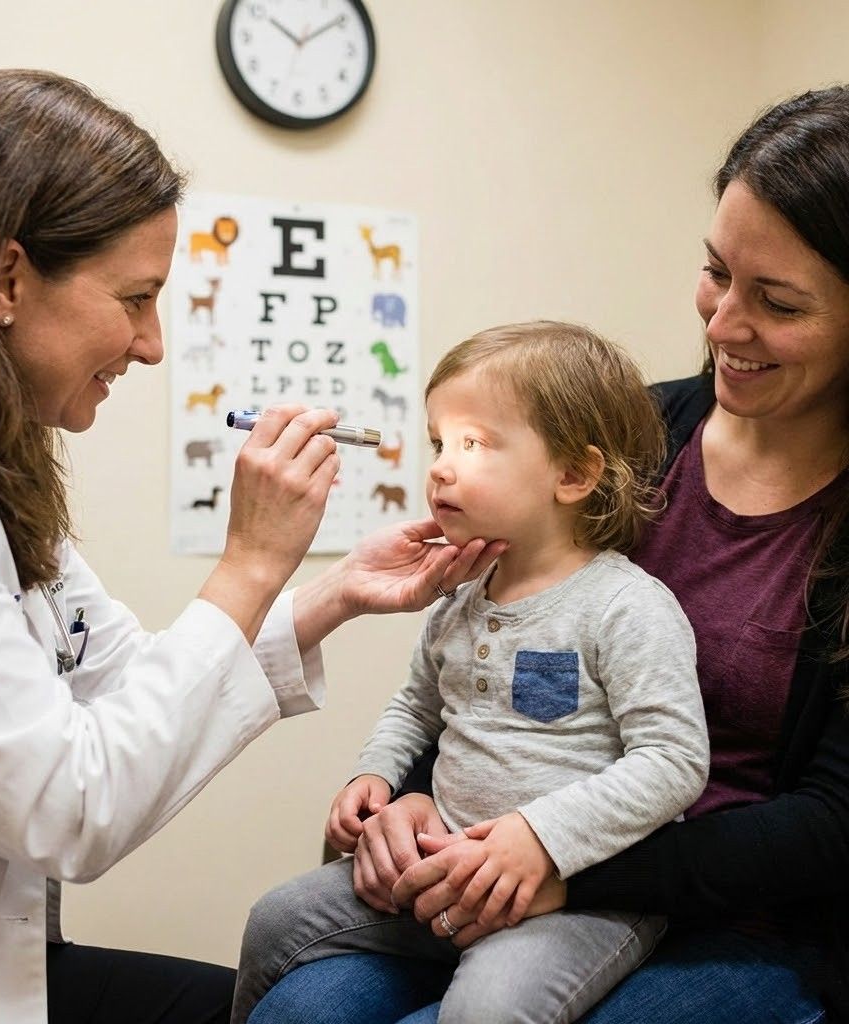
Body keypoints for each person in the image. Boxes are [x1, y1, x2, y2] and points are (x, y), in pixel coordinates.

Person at [0, 69, 506, 1024]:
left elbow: (125, 686)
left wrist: (333, 594)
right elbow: (71, 804)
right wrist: (251, 561)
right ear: (6, 278)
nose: (151, 346)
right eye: (136, 298)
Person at [240, 84, 849, 1024]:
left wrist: (556, 856)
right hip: (493, 856)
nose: (723, 324)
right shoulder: (623, 438)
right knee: (304, 1006)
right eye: (716, 272)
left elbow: (832, 825)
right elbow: (487, 666)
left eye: (776, 301)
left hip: (744, 916)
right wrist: (405, 802)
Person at [233, 321, 710, 1024]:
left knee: (484, 1011)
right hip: (443, 864)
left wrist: (542, 836)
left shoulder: (626, 606)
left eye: (474, 445)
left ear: (573, 475)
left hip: (580, 897)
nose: (440, 467)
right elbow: (417, 707)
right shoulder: (459, 592)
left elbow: (674, 762)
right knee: (274, 920)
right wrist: (377, 776)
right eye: (438, 443)